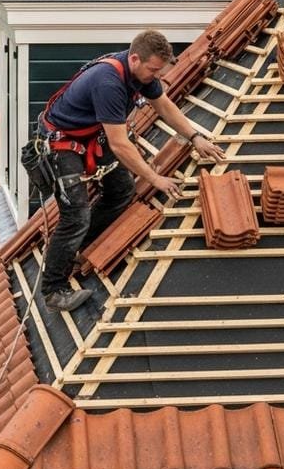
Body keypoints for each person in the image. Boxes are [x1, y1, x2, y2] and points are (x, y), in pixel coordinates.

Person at [38, 29, 225, 312]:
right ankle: (53, 291)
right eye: (153, 70)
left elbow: (163, 105)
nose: (156, 76)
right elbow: (120, 145)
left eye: (159, 70)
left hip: (91, 135)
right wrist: (155, 178)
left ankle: (76, 249)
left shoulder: (140, 73)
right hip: (62, 143)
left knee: (121, 191)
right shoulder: (108, 82)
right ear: (135, 58)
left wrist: (195, 137)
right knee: (75, 214)